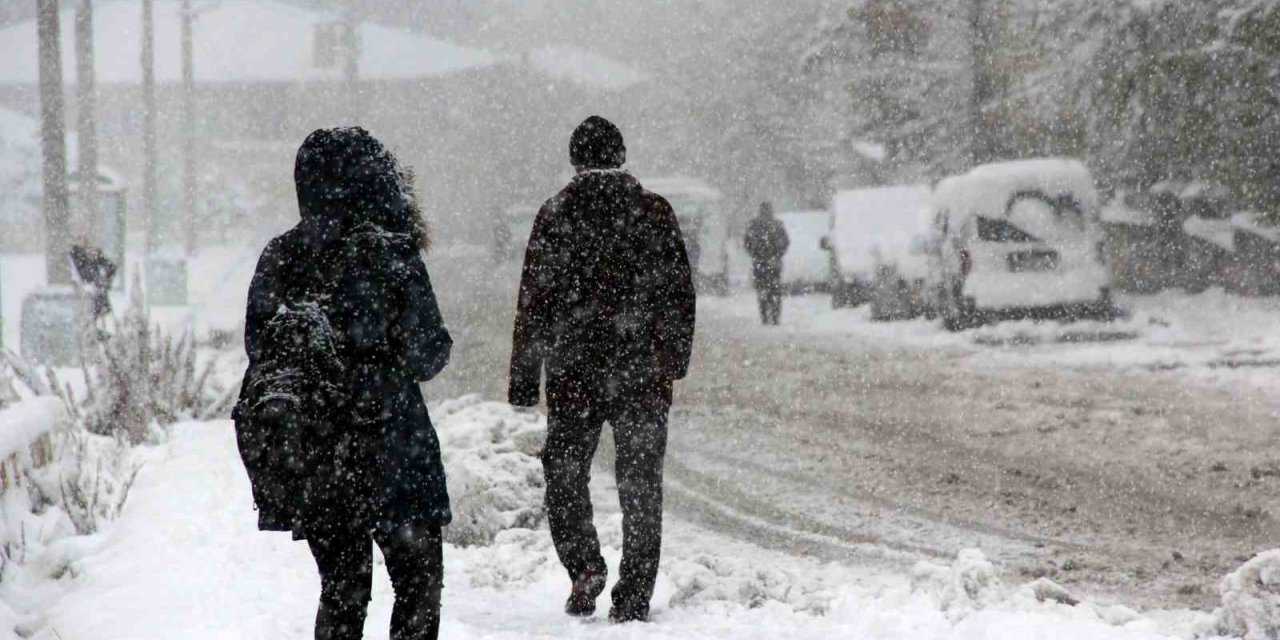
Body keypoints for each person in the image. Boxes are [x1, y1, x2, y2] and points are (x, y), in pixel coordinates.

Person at [233, 127, 453, 640]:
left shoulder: (282, 254)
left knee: (342, 589)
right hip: (395, 449)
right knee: (417, 589)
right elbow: (428, 355)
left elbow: (258, 346)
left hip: (316, 455)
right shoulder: (390, 253)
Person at [509, 116, 696, 624]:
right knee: (641, 485)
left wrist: (525, 380)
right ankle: (634, 595)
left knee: (564, 474)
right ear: (621, 156)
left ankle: (584, 565)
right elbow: (679, 293)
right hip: (642, 373)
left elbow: (533, 301)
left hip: (574, 373)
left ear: (575, 161)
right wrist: (672, 359)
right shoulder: (654, 211)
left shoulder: (555, 213)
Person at [744, 201, 789, 325]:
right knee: (774, 289)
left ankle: (765, 314)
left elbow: (747, 243)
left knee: (762, 289)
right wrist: (777, 255)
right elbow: (785, 242)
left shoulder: (754, 225)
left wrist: (755, 255)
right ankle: (775, 316)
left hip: (760, 262)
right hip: (774, 262)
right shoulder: (777, 225)